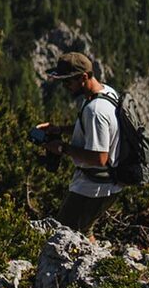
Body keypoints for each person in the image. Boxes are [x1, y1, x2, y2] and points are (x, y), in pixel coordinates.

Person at [37, 51, 125, 234]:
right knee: (84, 230)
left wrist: (62, 148)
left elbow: (100, 158)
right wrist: (60, 129)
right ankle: (97, 261)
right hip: (106, 184)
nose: (64, 86)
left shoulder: (95, 111)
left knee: (63, 235)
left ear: (84, 77)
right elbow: (89, 128)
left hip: (94, 187)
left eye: (67, 81)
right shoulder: (107, 92)